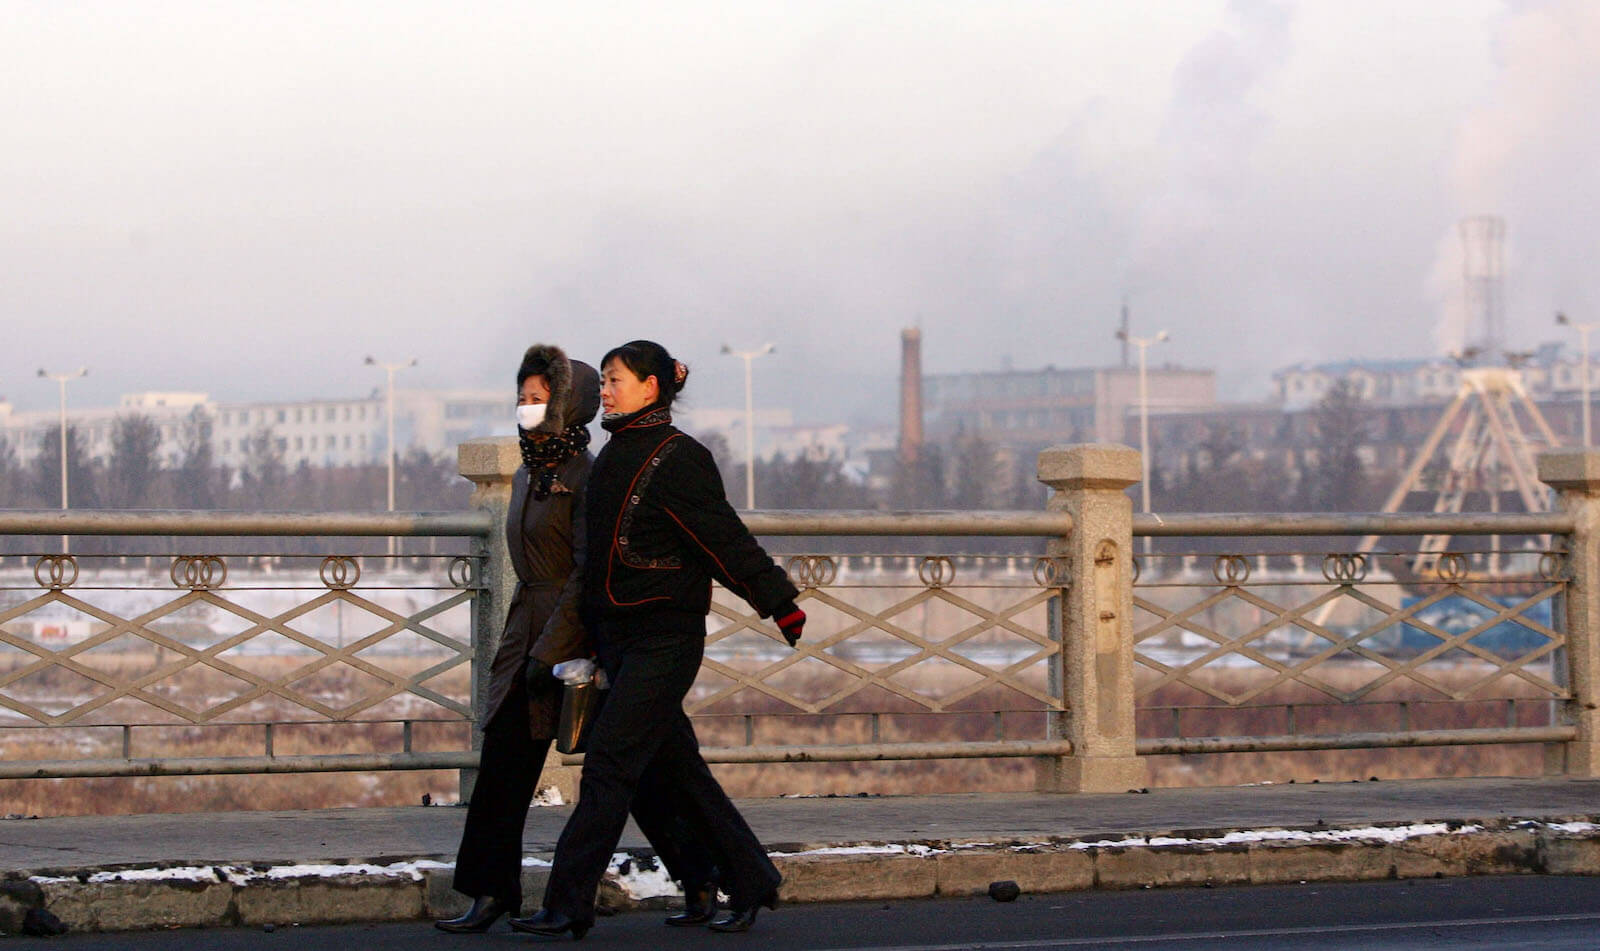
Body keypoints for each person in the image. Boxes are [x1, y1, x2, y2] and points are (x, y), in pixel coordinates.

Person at [511, 340, 807, 940]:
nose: (607, 389)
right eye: (607, 381)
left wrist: (778, 601)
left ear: (652, 387)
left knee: (610, 767)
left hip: (664, 641)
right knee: (674, 772)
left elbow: (722, 538)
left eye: (617, 380)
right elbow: (592, 562)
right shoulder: (614, 455)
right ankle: (741, 881)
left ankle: (568, 902)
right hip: (616, 640)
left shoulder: (678, 457)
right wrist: (581, 641)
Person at [435, 344, 714, 933]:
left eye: (539, 399)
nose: (526, 408)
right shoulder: (529, 471)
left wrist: (558, 647)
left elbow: (585, 570)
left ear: (569, 407)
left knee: (644, 775)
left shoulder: (590, 475)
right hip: (527, 635)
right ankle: (490, 892)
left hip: (580, 643)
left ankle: (702, 877)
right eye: (522, 397)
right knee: (505, 765)